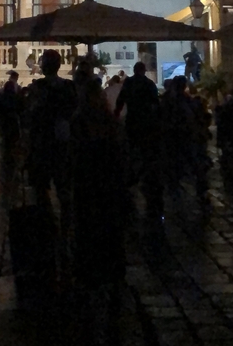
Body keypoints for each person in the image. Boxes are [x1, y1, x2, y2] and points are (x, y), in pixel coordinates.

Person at [70, 79, 127, 340]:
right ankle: (111, 277)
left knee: (89, 229)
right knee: (109, 230)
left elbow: (73, 154)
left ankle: (90, 276)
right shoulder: (109, 123)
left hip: (89, 185)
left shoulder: (80, 121)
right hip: (108, 186)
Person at [26, 49, 78, 263]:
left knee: (42, 190)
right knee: (64, 190)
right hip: (62, 142)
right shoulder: (68, 87)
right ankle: (63, 231)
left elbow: (30, 115)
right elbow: (73, 111)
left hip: (42, 143)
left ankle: (50, 227)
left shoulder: (37, 88)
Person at [115, 60, 163, 217]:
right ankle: (144, 173)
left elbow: (121, 100)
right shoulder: (149, 84)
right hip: (146, 121)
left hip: (132, 120)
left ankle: (133, 173)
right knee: (145, 149)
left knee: (132, 147)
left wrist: (116, 115)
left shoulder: (129, 83)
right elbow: (156, 103)